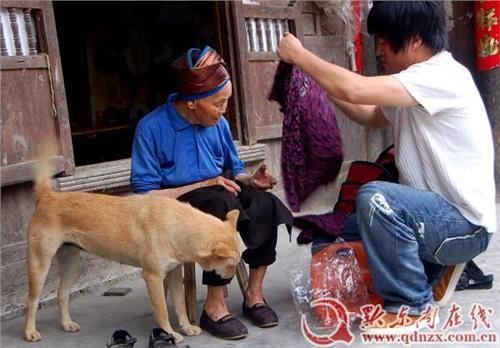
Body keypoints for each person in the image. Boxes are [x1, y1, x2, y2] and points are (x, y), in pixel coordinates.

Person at [277, 1, 495, 333]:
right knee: (333, 236)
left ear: (415, 39)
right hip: (433, 219)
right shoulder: (413, 83)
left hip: (464, 227)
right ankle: (423, 276)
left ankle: (411, 307)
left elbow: (355, 88)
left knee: (375, 198)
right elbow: (369, 114)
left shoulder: (441, 76)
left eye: (383, 39)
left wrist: (302, 56)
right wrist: (315, 76)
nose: (379, 49)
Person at [130, 46, 292, 340]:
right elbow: (145, 198)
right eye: (218, 103)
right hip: (175, 207)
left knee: (265, 204)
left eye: (226, 101)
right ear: (191, 103)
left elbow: (234, 171)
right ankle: (214, 307)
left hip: (222, 190)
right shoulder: (151, 128)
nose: (224, 109)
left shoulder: (218, 124)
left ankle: (254, 295)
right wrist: (204, 185)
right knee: (218, 202)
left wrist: (250, 180)